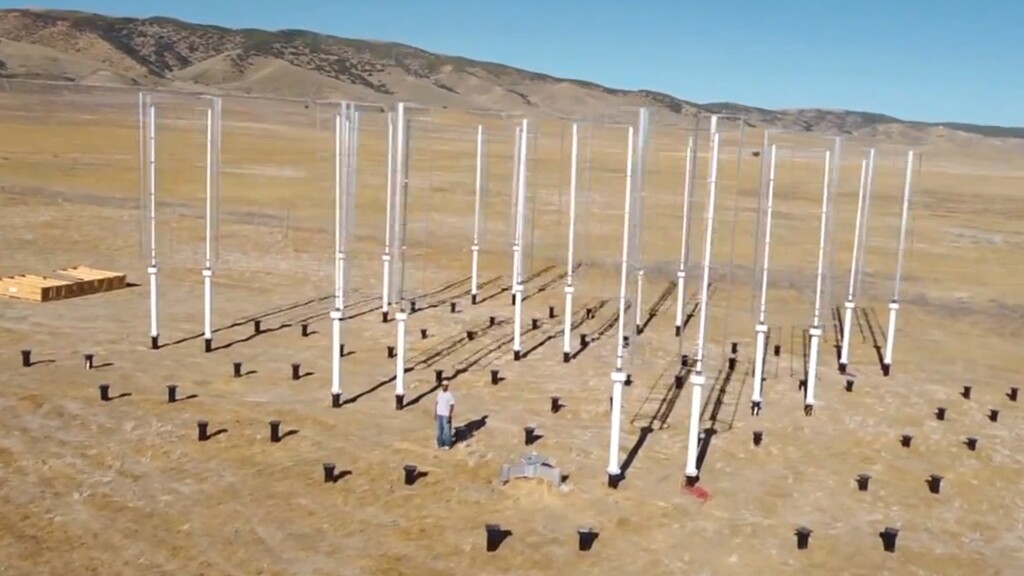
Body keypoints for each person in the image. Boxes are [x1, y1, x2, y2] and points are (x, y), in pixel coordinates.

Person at [435, 382, 455, 449]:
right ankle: (440, 443)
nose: (444, 387)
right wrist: (435, 413)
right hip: (439, 414)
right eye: (443, 385)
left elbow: (452, 406)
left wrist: (449, 415)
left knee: (447, 430)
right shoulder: (439, 393)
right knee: (440, 430)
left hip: (446, 415)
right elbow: (437, 403)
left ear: (447, 386)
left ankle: (447, 444)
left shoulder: (449, 395)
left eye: (445, 386)